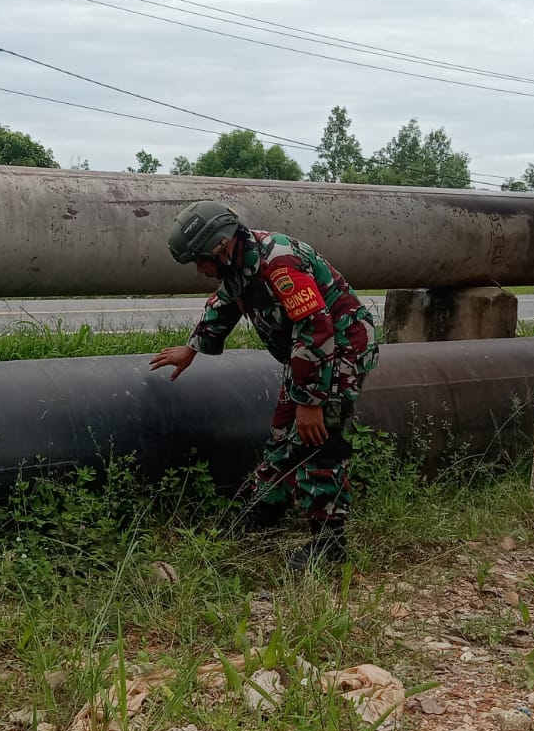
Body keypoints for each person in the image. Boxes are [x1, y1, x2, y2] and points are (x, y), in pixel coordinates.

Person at [151, 200, 378, 569]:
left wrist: (310, 401)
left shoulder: (279, 264)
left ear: (220, 247)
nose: (200, 270)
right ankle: (262, 516)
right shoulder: (240, 264)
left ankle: (330, 545)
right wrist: (192, 348)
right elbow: (225, 302)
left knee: (317, 441)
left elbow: (316, 328)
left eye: (199, 261)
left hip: (341, 351)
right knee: (281, 436)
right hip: (308, 357)